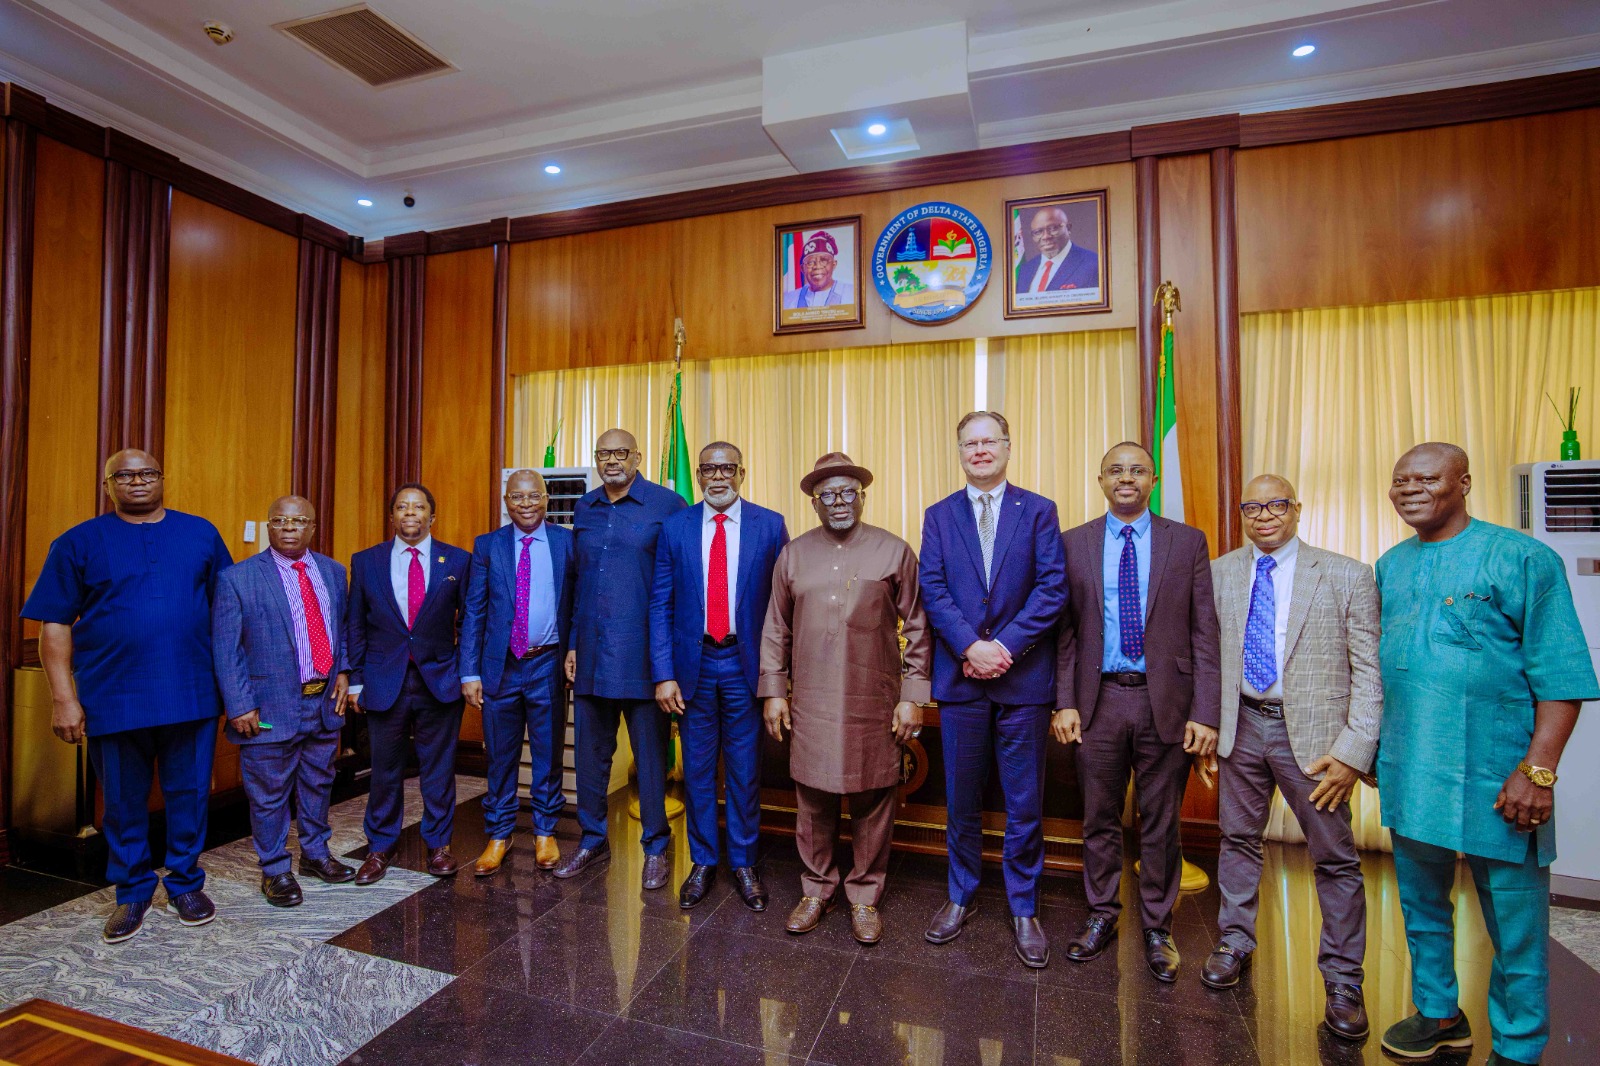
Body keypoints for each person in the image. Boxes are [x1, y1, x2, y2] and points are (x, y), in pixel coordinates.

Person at [1374, 443, 1597, 1066]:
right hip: (1413, 767)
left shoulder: (1523, 558)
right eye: (1400, 480)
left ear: (1464, 482)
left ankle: (1520, 1046)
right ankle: (1440, 1013)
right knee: (1421, 905)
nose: (1410, 489)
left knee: (1515, 921)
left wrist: (1537, 771)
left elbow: (1563, 677)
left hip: (1500, 776)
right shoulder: (1390, 565)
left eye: (1427, 478)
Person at [22, 449, 234, 943]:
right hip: (113, 694)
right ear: (108, 485)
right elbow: (53, 624)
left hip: (191, 690)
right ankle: (133, 891)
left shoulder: (200, 533)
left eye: (147, 473)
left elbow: (227, 612)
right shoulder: (77, 542)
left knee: (189, 795)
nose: (137, 481)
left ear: (163, 479)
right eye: (125, 475)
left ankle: (185, 884)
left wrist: (239, 691)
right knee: (120, 801)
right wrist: (62, 697)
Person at [1202, 474, 1380, 1041]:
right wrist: (1208, 726)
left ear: (1296, 509)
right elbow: (1206, 657)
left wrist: (1353, 753)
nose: (1264, 515)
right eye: (1251, 506)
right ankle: (1234, 942)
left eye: (1276, 504)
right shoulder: (1221, 572)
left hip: (1318, 744)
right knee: (1236, 841)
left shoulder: (1347, 574)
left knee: (1335, 858)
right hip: (1241, 727)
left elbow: (1370, 675)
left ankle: (1344, 980)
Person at [1053, 441, 1221, 982]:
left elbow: (1204, 632)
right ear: (1101, 479)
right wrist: (1066, 701)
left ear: (1152, 480)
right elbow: (1067, 633)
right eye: (1116, 470)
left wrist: (1206, 712)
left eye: (1137, 470)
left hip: (1164, 702)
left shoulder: (1187, 541)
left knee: (1161, 822)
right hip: (1098, 701)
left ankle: (1157, 927)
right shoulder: (1073, 543)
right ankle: (1102, 915)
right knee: (1099, 818)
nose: (1127, 478)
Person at [760, 452, 931, 944]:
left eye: (848, 493)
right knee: (812, 797)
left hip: (872, 698)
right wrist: (774, 691)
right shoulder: (793, 555)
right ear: (815, 503)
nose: (839, 502)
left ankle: (864, 895)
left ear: (862, 496)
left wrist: (912, 695)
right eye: (828, 495)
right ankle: (816, 888)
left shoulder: (893, 551)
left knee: (875, 797)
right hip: (809, 698)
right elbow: (776, 627)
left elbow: (918, 627)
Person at [917, 412, 1066, 968]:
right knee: (961, 800)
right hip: (961, 682)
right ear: (959, 451)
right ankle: (960, 895)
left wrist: (1004, 646)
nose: (980, 451)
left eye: (989, 442)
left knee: (1025, 801)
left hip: (1022, 680)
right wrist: (968, 647)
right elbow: (932, 588)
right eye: (970, 443)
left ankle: (1023, 905)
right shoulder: (939, 515)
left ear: (1007, 446)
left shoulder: (1039, 511)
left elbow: (1052, 588)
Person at [650, 441, 789, 911]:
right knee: (698, 772)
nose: (717, 476)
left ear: (742, 473)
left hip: (744, 665)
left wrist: (777, 677)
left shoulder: (770, 526)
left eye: (726, 467)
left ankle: (745, 862)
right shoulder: (676, 527)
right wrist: (664, 673)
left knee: (747, 771)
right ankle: (704, 861)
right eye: (708, 468)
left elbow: (782, 608)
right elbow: (660, 604)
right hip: (692, 667)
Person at [558, 429, 688, 889]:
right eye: (603, 454)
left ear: (637, 456)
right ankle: (592, 840)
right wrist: (572, 643)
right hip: (592, 652)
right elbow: (577, 583)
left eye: (620, 453)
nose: (611, 461)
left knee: (651, 759)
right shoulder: (585, 507)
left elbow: (680, 582)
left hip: (645, 656)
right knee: (591, 760)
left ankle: (656, 846)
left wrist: (669, 663)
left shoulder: (668, 505)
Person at [212, 495, 353, 907]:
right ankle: (274, 870)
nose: (289, 527)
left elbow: (340, 630)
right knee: (269, 792)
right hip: (268, 706)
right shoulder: (237, 578)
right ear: (269, 527)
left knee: (318, 783)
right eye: (279, 520)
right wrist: (239, 704)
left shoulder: (332, 571)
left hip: (323, 701)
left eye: (298, 521)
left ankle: (315, 855)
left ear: (313, 527)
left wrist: (343, 671)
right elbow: (226, 648)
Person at [345, 483, 471, 884]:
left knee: (439, 768)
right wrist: (356, 681)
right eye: (402, 507)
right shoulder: (366, 562)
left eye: (419, 507)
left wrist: (465, 673)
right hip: (384, 681)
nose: (410, 514)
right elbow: (355, 624)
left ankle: (438, 845)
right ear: (392, 515)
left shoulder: (459, 560)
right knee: (384, 768)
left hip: (440, 680)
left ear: (432, 516)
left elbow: (469, 622)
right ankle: (380, 846)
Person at [460, 469, 575, 877]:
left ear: (546, 499)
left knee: (547, 754)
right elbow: (475, 610)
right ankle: (499, 834)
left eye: (533, 496)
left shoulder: (566, 542)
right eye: (516, 497)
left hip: (547, 663)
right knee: (501, 756)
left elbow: (576, 604)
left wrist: (573, 649)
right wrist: (468, 672)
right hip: (499, 667)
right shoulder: (488, 545)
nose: (525, 503)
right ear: (506, 501)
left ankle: (545, 831)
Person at [1014, 206, 1099, 294]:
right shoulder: (1025, 270)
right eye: (1038, 232)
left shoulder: (1093, 264)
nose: (1046, 236)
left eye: (1053, 228)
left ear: (1068, 228)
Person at [781, 231, 854, 309]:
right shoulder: (787, 300)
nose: (817, 266)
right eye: (810, 262)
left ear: (834, 264)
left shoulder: (852, 294)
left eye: (824, 260)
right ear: (802, 268)